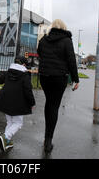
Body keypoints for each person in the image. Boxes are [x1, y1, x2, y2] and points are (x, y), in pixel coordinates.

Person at [37, 19, 79, 153]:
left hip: (44, 76)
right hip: (59, 78)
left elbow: (40, 54)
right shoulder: (67, 41)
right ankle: (48, 141)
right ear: (63, 27)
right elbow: (71, 60)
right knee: (54, 106)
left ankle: (46, 137)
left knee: (49, 103)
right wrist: (76, 79)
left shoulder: (44, 40)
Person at [0, 56, 36, 151]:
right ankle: (5, 137)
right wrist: (32, 103)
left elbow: (0, 80)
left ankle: (7, 142)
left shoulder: (9, 71)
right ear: (24, 64)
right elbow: (28, 90)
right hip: (17, 103)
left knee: (10, 122)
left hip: (5, 100)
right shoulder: (25, 75)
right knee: (18, 123)